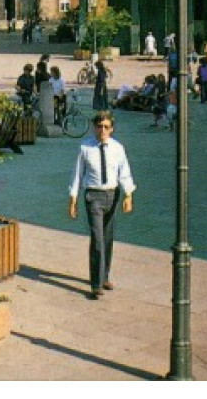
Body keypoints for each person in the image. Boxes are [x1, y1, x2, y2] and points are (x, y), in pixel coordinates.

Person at [68, 111, 135, 299]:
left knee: (107, 237)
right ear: (94, 127)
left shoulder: (118, 148)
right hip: (93, 197)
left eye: (106, 127)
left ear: (111, 129)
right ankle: (96, 284)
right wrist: (72, 199)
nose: (102, 130)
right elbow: (77, 174)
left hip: (112, 196)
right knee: (97, 239)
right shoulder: (85, 148)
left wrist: (128, 195)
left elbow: (124, 172)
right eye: (99, 126)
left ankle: (104, 275)